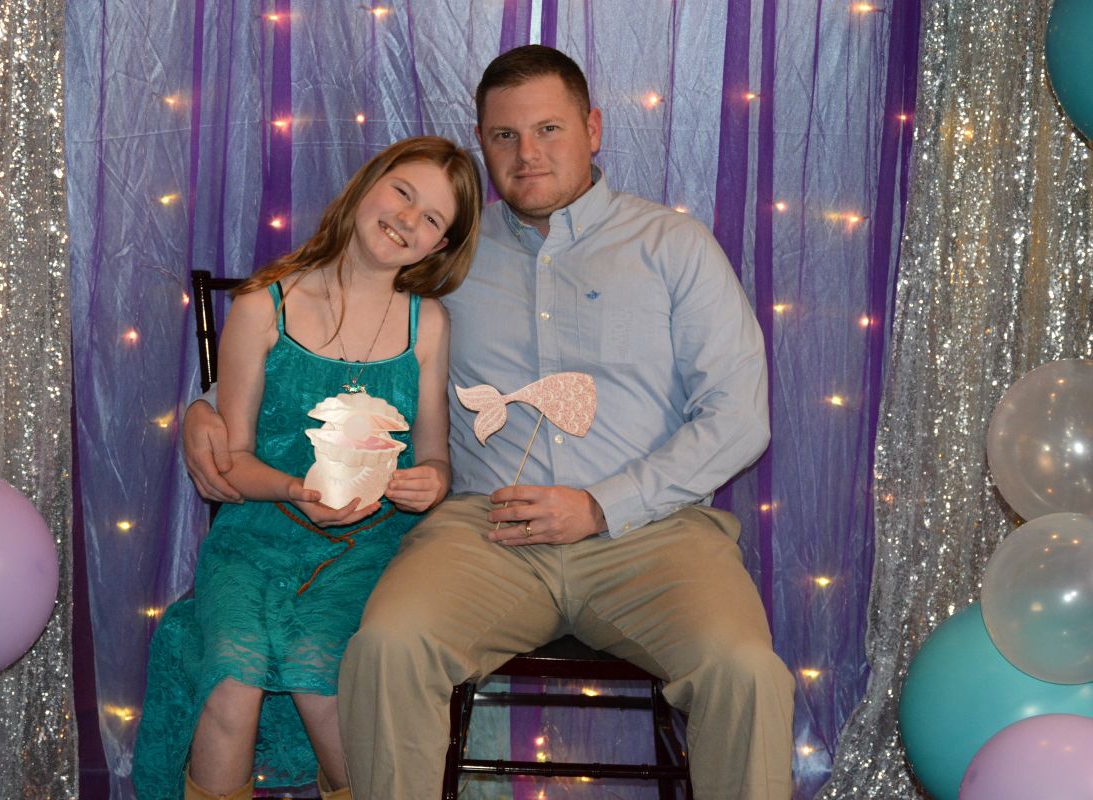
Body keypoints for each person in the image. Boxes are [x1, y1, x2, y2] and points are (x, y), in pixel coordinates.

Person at [185, 46, 794, 800]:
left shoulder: (673, 246)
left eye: (549, 129)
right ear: (482, 142)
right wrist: (204, 405)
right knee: (387, 647)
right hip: (485, 531)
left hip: (652, 535)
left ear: (593, 129)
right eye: (505, 135)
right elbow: (330, 334)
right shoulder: (448, 254)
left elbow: (740, 416)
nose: (527, 153)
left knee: (746, 672)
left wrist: (602, 505)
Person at [134, 136, 482, 800]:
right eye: (402, 192)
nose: (407, 219)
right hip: (258, 537)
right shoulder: (264, 306)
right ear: (366, 185)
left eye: (431, 218)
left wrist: (430, 482)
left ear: (437, 246)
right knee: (231, 677)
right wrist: (295, 488)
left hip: (368, 546)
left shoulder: (427, 324)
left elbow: (436, 458)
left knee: (323, 672)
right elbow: (233, 461)